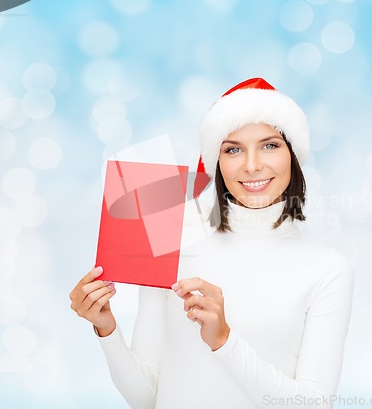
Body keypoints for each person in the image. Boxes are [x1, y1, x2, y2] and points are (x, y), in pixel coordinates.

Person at [69, 77, 354, 409]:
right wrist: (107, 330)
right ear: (217, 160)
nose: (251, 165)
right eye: (233, 149)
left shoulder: (327, 268)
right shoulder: (172, 236)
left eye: (269, 145)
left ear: (292, 153)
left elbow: (313, 405)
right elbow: (147, 399)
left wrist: (224, 340)